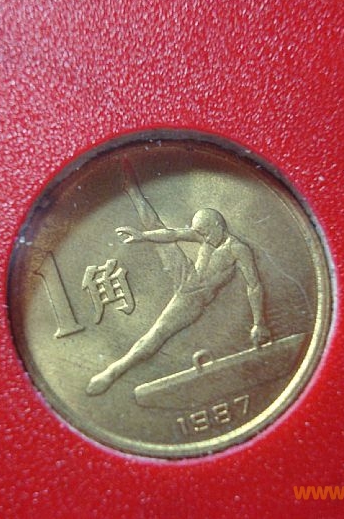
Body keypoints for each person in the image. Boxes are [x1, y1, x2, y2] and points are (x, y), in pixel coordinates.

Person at [86, 160, 270, 396]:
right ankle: (133, 191)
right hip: (186, 274)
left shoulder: (237, 249)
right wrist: (142, 236)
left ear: (218, 226)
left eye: (204, 232)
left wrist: (259, 323)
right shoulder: (204, 235)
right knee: (156, 227)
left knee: (156, 334)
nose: (201, 238)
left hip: (193, 298)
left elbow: (254, 286)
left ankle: (113, 371)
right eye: (199, 233)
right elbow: (172, 233)